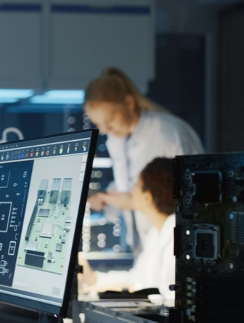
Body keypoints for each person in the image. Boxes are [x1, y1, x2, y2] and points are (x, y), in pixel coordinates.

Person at [83, 67, 203, 251]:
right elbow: (130, 184)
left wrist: (131, 202)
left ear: (129, 103)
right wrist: (107, 199)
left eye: (110, 119)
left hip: (176, 240)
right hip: (147, 244)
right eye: (99, 124)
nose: (105, 130)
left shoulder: (166, 134)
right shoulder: (119, 139)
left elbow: (181, 195)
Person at [78, 157, 176, 300]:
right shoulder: (155, 234)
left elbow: (164, 296)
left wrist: (119, 291)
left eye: (137, 184)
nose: (132, 189)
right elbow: (136, 279)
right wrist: (93, 279)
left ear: (147, 197)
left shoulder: (175, 239)